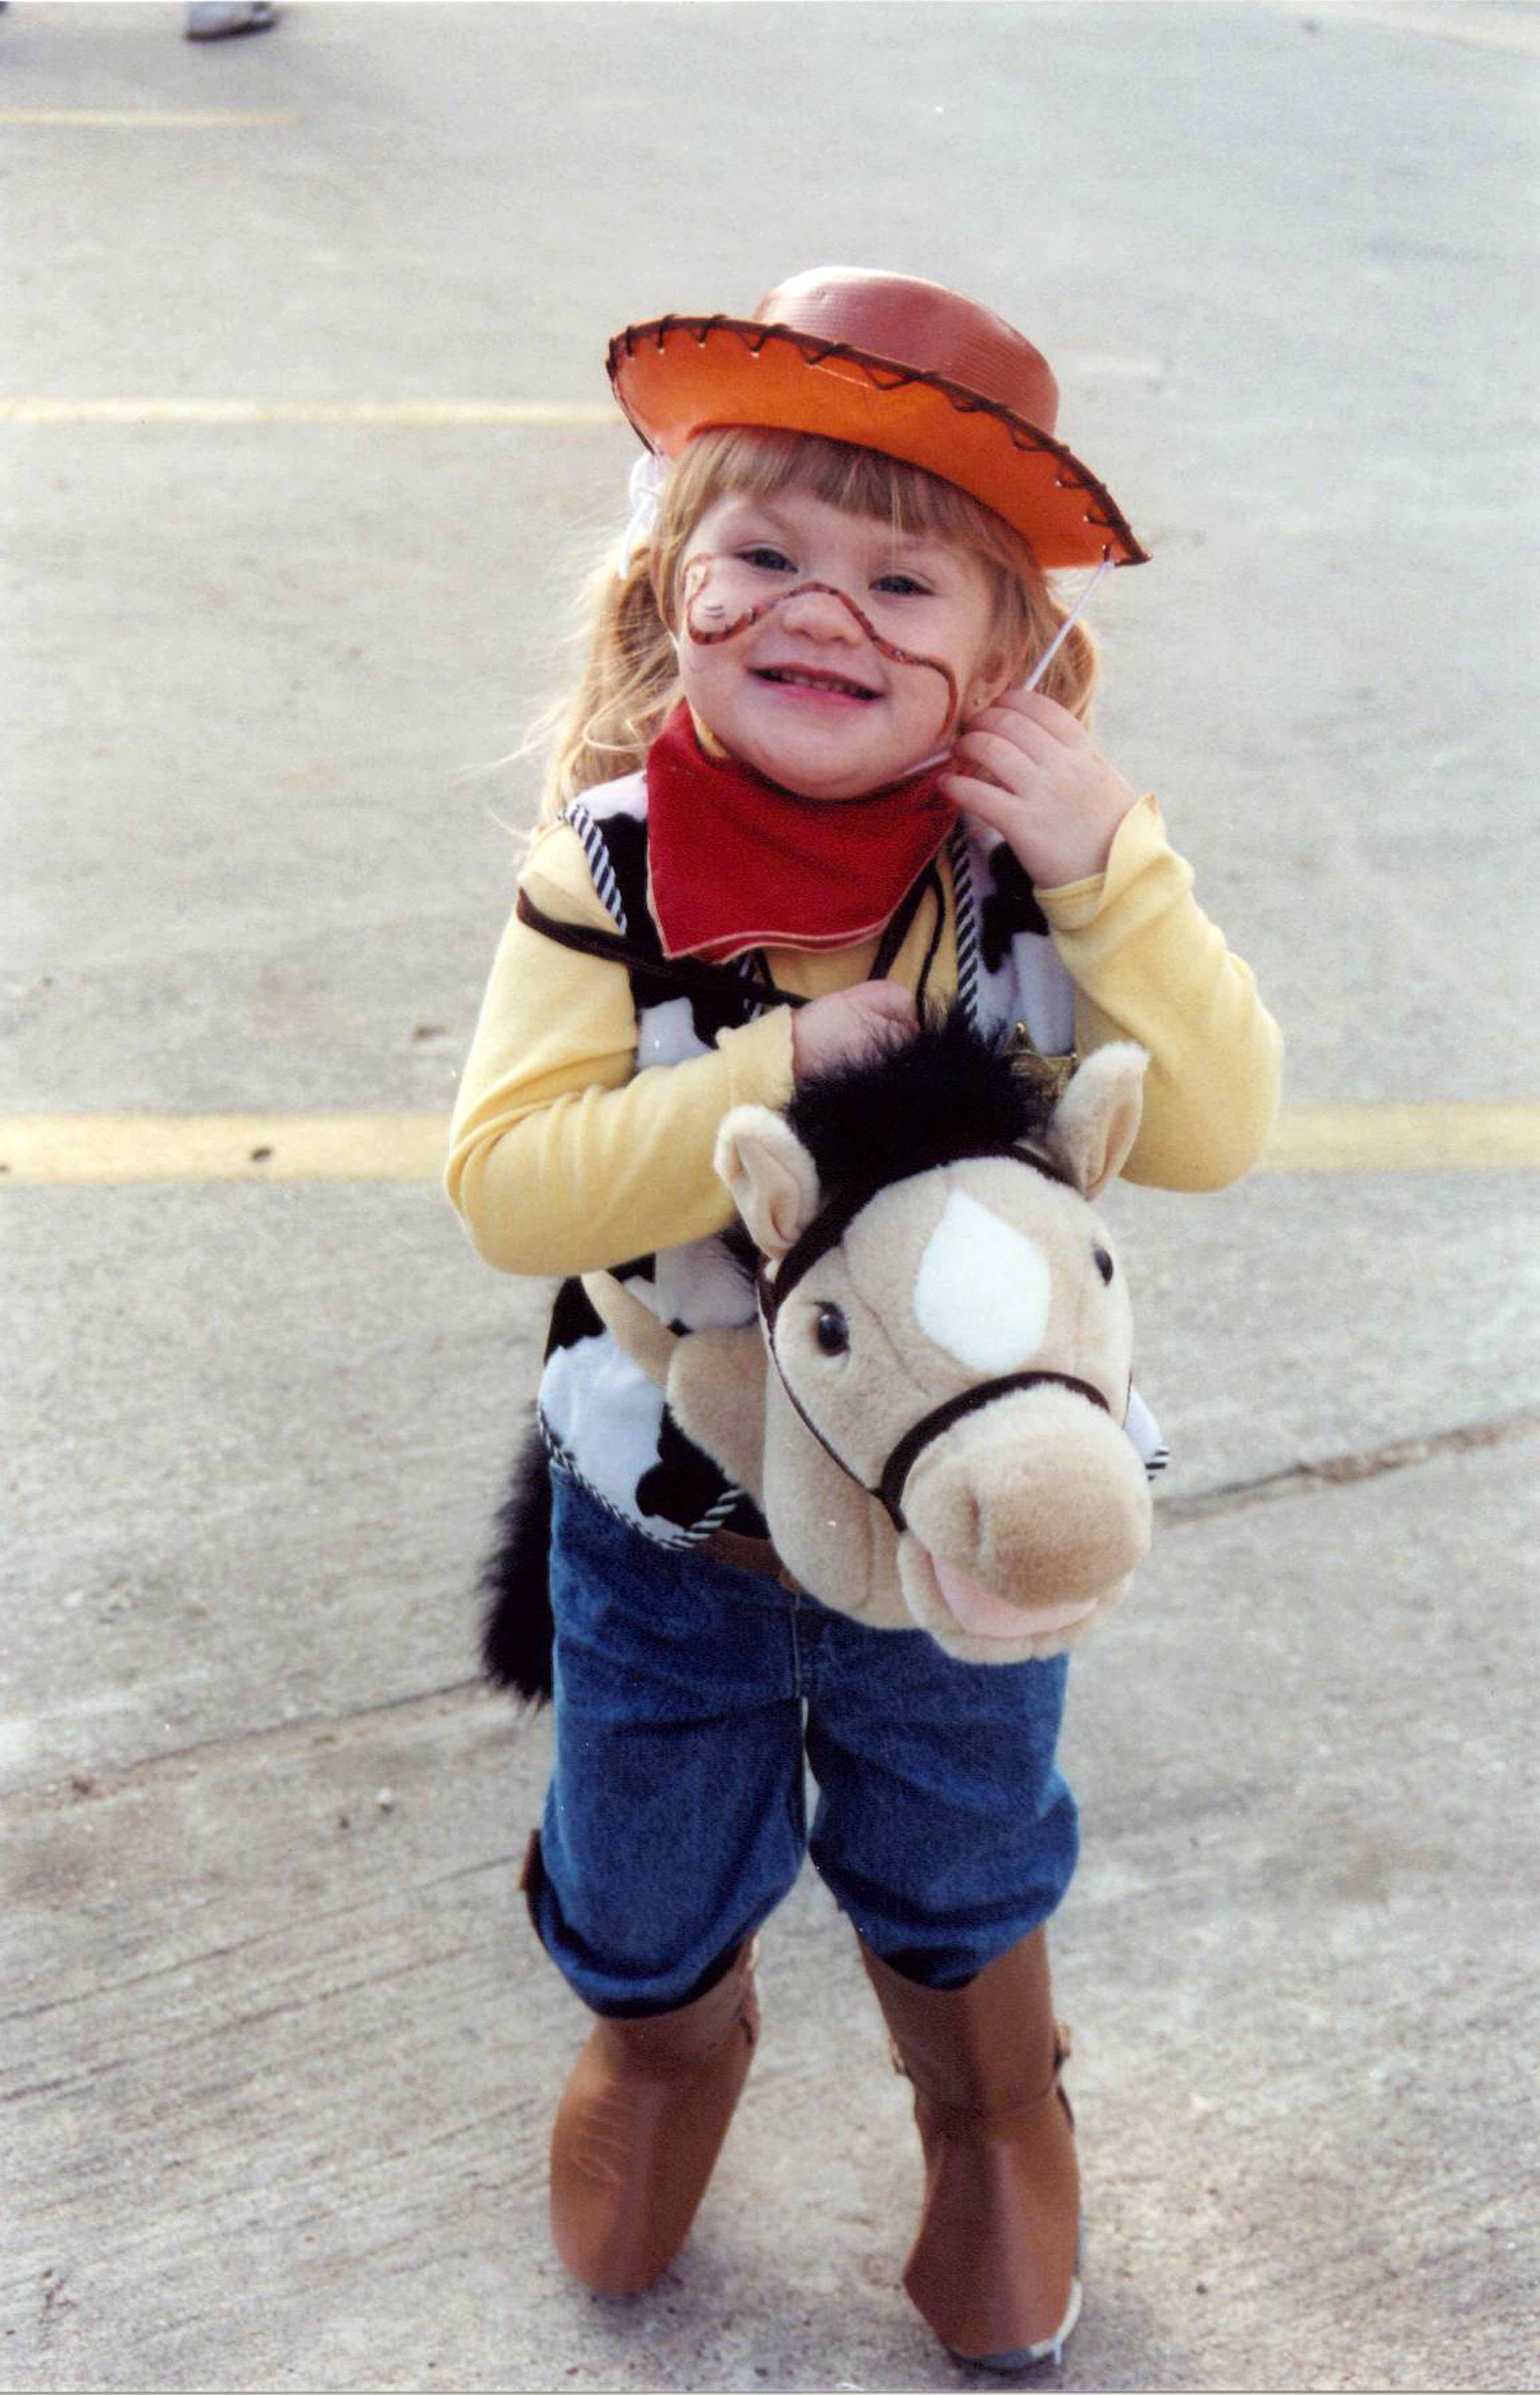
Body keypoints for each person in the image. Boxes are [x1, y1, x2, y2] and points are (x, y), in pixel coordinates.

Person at [446, 267, 1281, 2368]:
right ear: (671, 595)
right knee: (637, 1864)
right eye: (766, 555)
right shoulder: (609, 871)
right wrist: (764, 1079)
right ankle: (666, 2050)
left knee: (960, 1844)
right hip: (672, 1517)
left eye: (906, 586)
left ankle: (992, 2110)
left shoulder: (1040, 873)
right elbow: (507, 1189)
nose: (827, 611)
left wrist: (1118, 871)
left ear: (1021, 672)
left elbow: (1211, 1130)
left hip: (963, 1521)